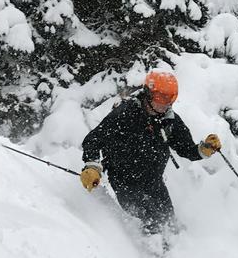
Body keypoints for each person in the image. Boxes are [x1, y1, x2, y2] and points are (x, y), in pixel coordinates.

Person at [80, 70, 221, 236]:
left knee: (170, 224)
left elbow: (186, 149)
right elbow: (94, 139)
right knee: (151, 221)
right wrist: (92, 165)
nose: (164, 104)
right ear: (148, 93)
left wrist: (203, 150)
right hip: (124, 180)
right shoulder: (126, 114)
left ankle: (179, 252)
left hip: (154, 182)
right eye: (160, 98)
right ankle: (148, 255)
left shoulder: (169, 121)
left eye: (169, 99)